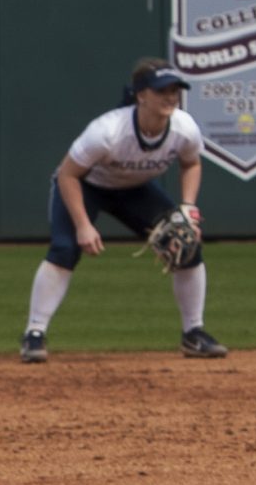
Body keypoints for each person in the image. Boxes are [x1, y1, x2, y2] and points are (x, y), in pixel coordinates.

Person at [20, 58, 224, 364]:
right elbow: (67, 174)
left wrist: (188, 208)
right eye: (161, 91)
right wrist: (83, 225)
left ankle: (194, 333)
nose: (170, 97)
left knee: (185, 244)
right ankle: (34, 334)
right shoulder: (108, 131)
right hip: (85, 184)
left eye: (174, 90)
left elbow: (191, 163)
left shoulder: (183, 127)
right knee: (64, 248)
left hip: (133, 189)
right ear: (141, 95)